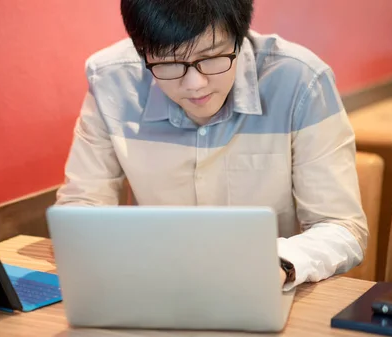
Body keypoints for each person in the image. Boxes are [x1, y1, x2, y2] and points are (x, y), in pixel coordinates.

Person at [55, 0, 368, 291]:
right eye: (170, 62)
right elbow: (81, 208)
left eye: (211, 57)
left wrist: (275, 264)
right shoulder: (111, 80)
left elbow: (341, 228)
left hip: (261, 291)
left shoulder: (300, 81)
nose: (194, 84)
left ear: (240, 36)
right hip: (155, 289)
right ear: (142, 51)